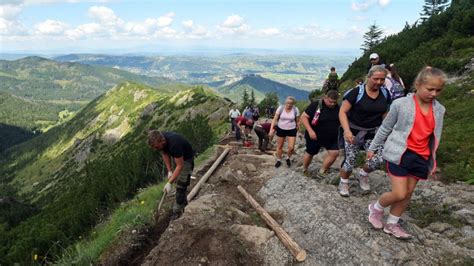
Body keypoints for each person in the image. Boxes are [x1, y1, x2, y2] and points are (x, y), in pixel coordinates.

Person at [367, 67, 447, 239]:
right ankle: (376, 208)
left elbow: (434, 137)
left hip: (421, 157)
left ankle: (392, 224)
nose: (434, 93)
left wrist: (433, 161)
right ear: (418, 85)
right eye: (430, 89)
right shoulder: (400, 104)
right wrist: (373, 148)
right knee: (400, 193)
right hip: (399, 154)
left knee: (408, 193)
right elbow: (385, 127)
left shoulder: (439, 110)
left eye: (438, 90)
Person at [338, 65, 392, 197]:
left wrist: (386, 131)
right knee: (350, 161)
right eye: (376, 79)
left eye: (382, 79)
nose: (379, 82)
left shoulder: (385, 93)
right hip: (353, 132)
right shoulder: (356, 93)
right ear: (368, 77)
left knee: (378, 159)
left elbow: (385, 112)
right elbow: (342, 112)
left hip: (373, 132)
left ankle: (363, 174)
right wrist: (346, 131)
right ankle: (343, 182)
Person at [148, 130, 194, 220]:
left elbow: (180, 165)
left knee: (181, 186)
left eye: (157, 147)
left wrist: (169, 183)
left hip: (186, 159)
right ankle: (184, 204)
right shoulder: (161, 140)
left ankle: (177, 212)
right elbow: (165, 153)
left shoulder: (174, 144)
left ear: (162, 141)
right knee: (178, 182)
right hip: (178, 157)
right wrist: (169, 171)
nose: (156, 149)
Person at [301, 90, 340, 178]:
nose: (332, 104)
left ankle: (322, 171)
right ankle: (304, 169)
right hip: (315, 136)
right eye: (330, 102)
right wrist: (310, 131)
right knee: (310, 153)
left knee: (334, 153)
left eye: (334, 102)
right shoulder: (316, 105)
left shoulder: (338, 107)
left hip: (331, 137)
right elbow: (304, 117)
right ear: (325, 98)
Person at [269, 96, 300, 168]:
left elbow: (298, 121)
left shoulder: (295, 110)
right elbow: (274, 119)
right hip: (281, 128)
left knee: (291, 147)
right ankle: (279, 160)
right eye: (288, 103)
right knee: (280, 146)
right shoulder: (280, 108)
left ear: (293, 104)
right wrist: (271, 130)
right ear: (285, 103)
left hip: (292, 129)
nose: (289, 105)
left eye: (291, 103)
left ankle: (288, 157)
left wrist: (299, 131)